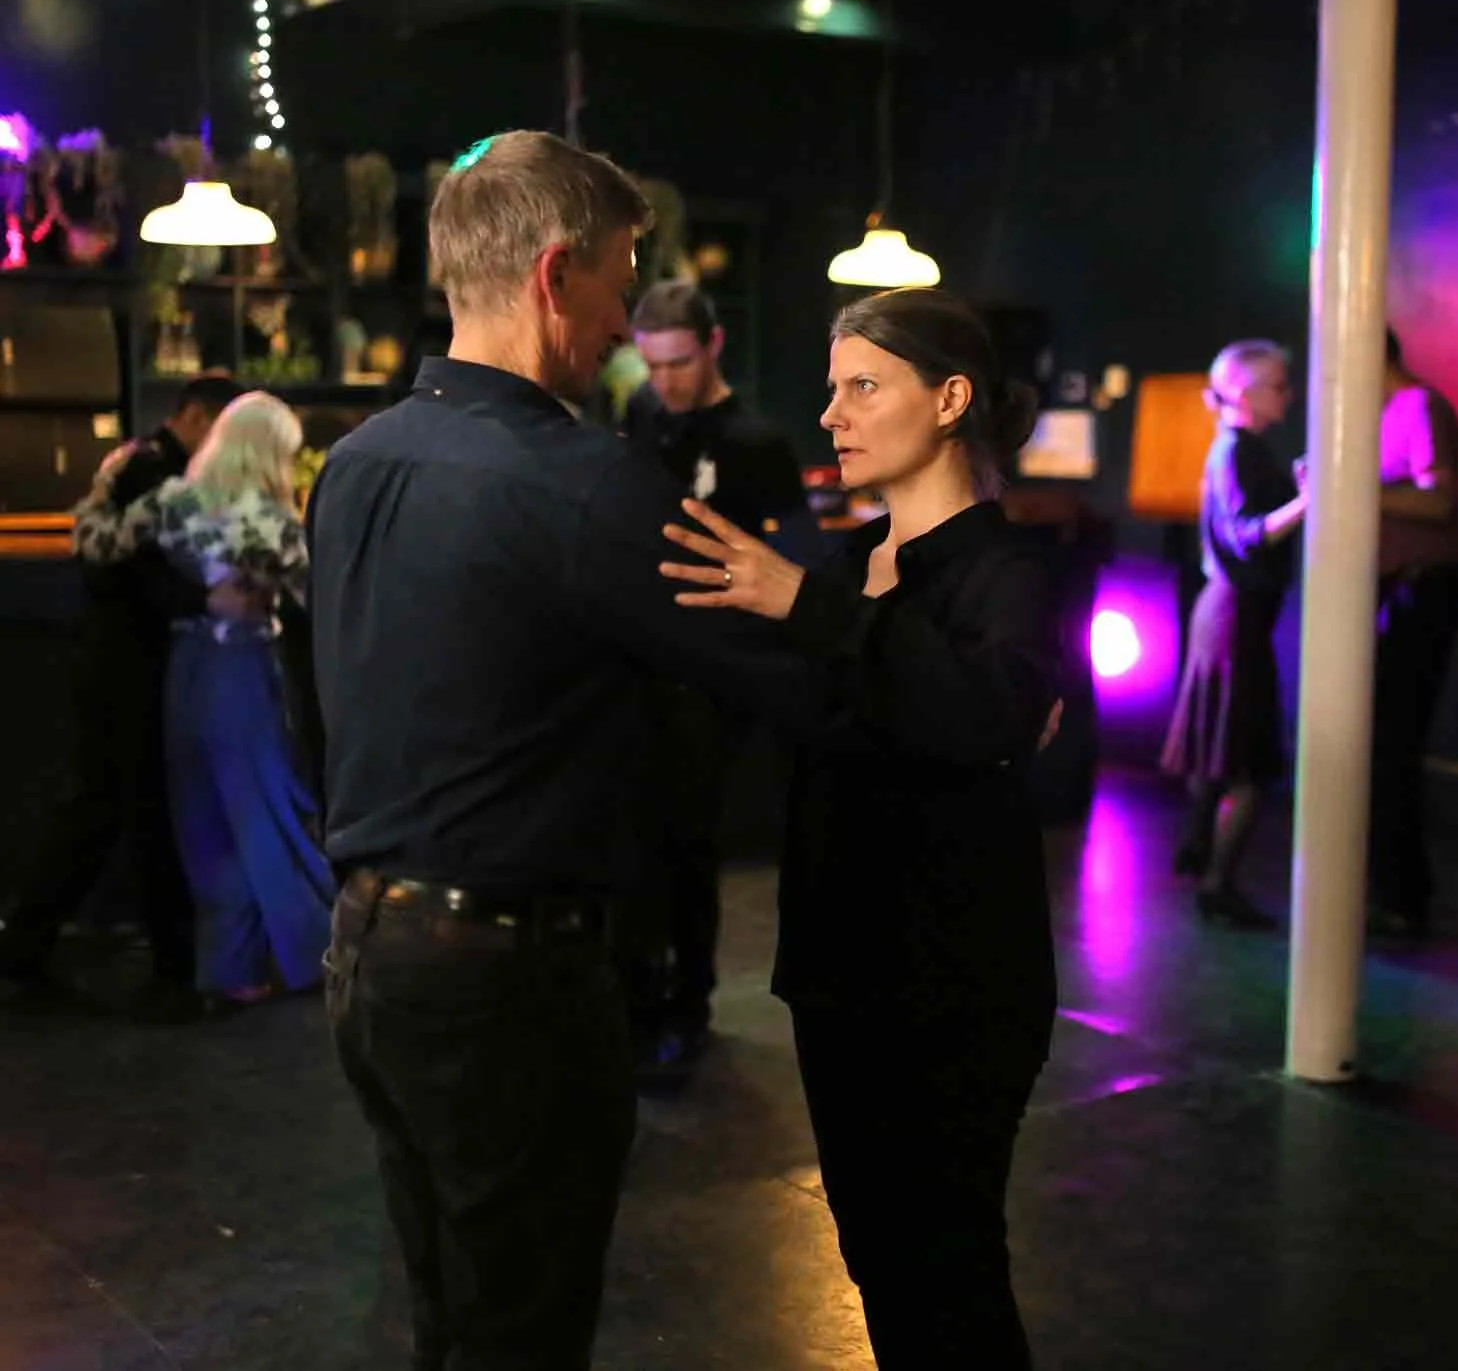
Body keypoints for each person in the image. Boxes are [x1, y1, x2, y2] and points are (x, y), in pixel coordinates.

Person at [307, 130, 811, 1371]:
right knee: (521, 1333)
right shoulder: (583, 480)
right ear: (553, 275)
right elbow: (783, 669)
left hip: (368, 954)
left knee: (444, 1307)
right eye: (620, 280)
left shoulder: (358, 463)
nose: (624, 320)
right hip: (506, 981)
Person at [656, 286, 1060, 1370]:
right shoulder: (842, 570)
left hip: (956, 987)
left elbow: (981, 714)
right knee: (882, 1256)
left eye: (863, 386)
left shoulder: (1005, 574)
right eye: (833, 389)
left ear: (950, 399)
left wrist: (808, 611)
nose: (832, 414)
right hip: (840, 974)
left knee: (948, 1268)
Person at [73, 391, 335, 1014]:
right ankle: (296, 953)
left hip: (186, 676)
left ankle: (227, 970)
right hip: (243, 675)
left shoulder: (172, 502)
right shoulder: (267, 522)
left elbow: (93, 543)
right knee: (265, 814)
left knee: (205, 826)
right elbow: (322, 601)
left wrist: (102, 484)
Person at [0, 373, 245, 1019]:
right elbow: (146, 574)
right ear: (194, 416)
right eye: (218, 429)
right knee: (122, 811)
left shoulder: (141, 466)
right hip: (124, 668)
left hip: (122, 665)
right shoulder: (152, 473)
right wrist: (208, 599)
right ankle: (156, 965)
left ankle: (38, 951)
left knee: (113, 810)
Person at [618, 279, 816, 1071]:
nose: (663, 383)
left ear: (713, 346)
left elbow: (796, 556)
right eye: (650, 365)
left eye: (677, 363)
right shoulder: (641, 415)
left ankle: (687, 1002)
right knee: (639, 836)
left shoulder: (754, 441)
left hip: (714, 664)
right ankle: (641, 994)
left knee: (689, 842)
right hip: (643, 650)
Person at [1159, 340, 1306, 929]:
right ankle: (1218, 883)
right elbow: (1247, 533)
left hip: (1225, 614)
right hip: (1233, 618)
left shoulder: (1238, 450)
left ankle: (1199, 855)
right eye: (1278, 385)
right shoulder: (1236, 451)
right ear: (1245, 392)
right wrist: (1309, 501)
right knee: (1246, 763)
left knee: (1223, 751)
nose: (1288, 394)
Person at [1367, 327, 1458, 941]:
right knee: (1386, 746)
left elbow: (1438, 500)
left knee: (1394, 745)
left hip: (1421, 589)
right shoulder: (1388, 411)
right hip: (1397, 589)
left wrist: (1351, 487)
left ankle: (1401, 898)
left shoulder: (1419, 406)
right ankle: (1399, 890)